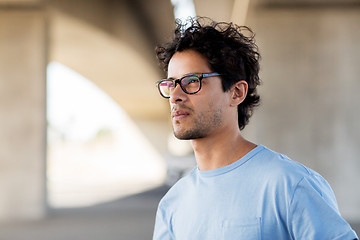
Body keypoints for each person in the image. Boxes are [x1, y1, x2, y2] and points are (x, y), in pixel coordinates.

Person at [152, 17, 358, 240]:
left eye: (192, 81)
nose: (175, 96)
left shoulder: (288, 184)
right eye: (171, 84)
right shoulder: (172, 204)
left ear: (237, 92)